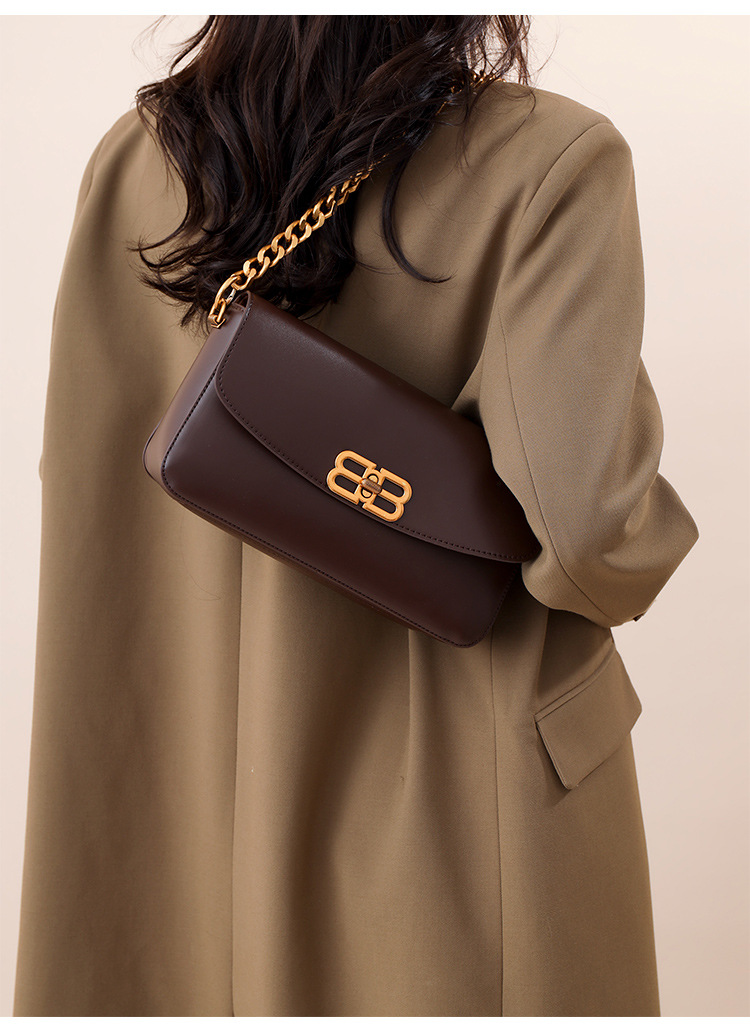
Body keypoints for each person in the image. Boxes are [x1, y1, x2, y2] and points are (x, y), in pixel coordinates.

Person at [13, 15, 699, 1017]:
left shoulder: (135, 160)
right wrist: (661, 535)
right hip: (459, 799)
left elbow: (86, 468)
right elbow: (587, 528)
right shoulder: (550, 162)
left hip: (173, 778)